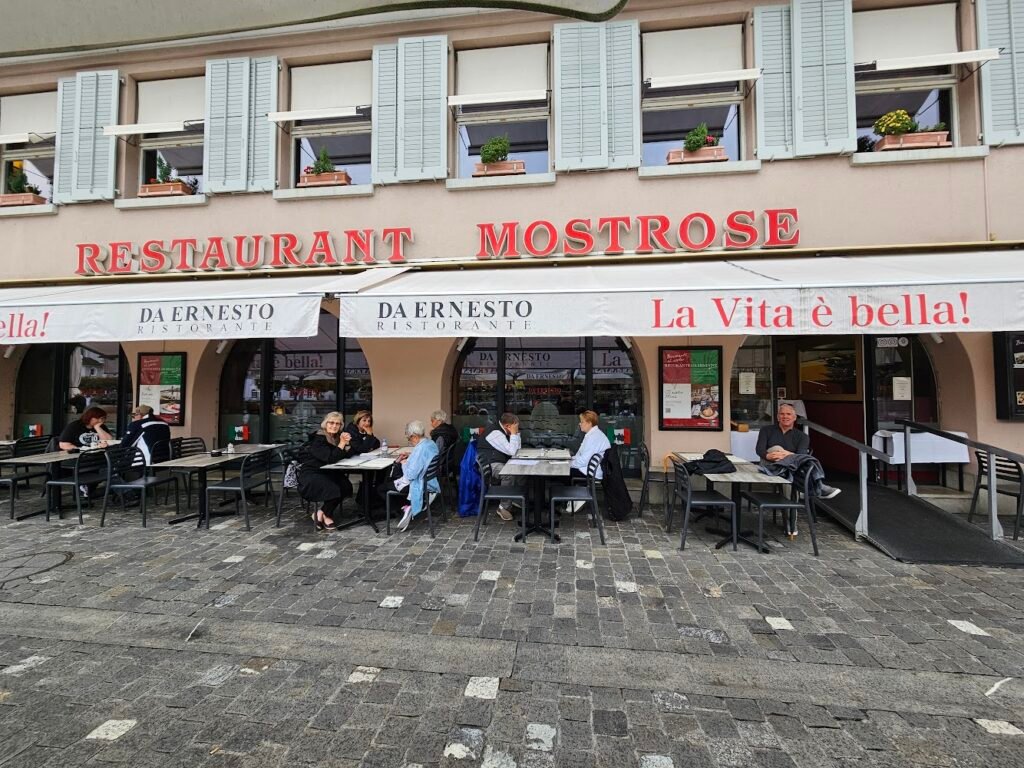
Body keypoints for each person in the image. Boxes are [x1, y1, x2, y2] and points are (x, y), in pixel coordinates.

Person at [756, 404, 841, 537]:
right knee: (777, 449)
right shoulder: (766, 430)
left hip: (789, 472)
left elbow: (801, 456)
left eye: (788, 414)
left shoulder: (802, 436)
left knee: (790, 482)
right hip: (770, 466)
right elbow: (760, 450)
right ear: (778, 417)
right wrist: (771, 455)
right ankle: (818, 486)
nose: (785, 417)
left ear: (794, 417)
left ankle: (790, 523)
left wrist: (785, 455)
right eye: (782, 414)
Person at [378, 420, 440, 533]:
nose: (410, 441)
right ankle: (405, 506)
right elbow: (423, 459)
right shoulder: (429, 443)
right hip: (429, 480)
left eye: (409, 438)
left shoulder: (420, 449)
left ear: (414, 436)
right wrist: (410, 456)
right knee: (392, 479)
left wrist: (404, 463)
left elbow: (411, 475)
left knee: (381, 488)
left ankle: (402, 510)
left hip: (417, 483)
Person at [297, 412, 354, 531]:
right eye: (331, 423)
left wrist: (347, 445)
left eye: (337, 424)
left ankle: (321, 513)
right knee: (334, 489)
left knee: (346, 486)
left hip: (327, 472)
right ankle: (327, 516)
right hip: (311, 473)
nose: (334, 426)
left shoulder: (336, 437)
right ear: (325, 424)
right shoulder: (319, 438)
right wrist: (342, 444)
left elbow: (345, 455)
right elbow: (330, 458)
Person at [475, 412, 521, 521]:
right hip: (491, 464)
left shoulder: (504, 430)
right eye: (515, 426)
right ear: (507, 426)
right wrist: (514, 434)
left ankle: (513, 498)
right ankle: (503, 507)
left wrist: (516, 434)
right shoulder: (495, 433)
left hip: (498, 460)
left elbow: (517, 450)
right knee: (508, 473)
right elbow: (513, 451)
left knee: (521, 470)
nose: (517, 428)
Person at [570, 410, 611, 482]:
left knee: (559, 473)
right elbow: (579, 456)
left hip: (588, 473)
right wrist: (569, 460)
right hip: (586, 469)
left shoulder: (594, 437)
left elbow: (583, 461)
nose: (579, 424)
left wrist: (567, 464)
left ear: (589, 423)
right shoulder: (592, 434)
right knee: (561, 472)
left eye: (582, 422)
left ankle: (569, 492)